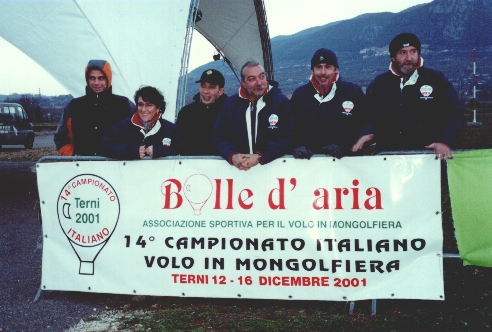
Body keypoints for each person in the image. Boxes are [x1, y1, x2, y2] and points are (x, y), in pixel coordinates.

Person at [353, 33, 465, 159]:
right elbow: (369, 115)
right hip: (389, 158)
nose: (409, 58)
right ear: (393, 57)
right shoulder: (379, 84)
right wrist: (367, 132)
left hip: (428, 158)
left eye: (413, 52)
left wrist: (444, 141)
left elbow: (454, 114)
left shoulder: (436, 80)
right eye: (402, 53)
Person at [212, 61, 294, 170]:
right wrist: (232, 156)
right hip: (237, 173)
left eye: (262, 77)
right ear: (243, 83)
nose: (259, 83)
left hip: (274, 172)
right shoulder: (229, 105)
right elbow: (219, 137)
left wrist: (261, 156)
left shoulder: (281, 103)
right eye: (252, 79)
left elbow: (288, 137)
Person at [291, 48, 369, 159]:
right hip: (309, 164)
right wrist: (298, 146)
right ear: (312, 70)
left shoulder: (352, 92)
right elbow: (291, 127)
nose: (323, 72)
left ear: (336, 69)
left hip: (346, 163)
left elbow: (364, 123)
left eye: (328, 67)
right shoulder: (300, 95)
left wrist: (343, 146)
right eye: (318, 67)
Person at [54, 59, 134, 156]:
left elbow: (138, 132)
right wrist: (72, 156)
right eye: (92, 78)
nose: (96, 83)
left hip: (117, 165)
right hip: (83, 166)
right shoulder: (74, 106)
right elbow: (61, 137)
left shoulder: (124, 104)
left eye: (101, 78)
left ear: (108, 79)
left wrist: (129, 153)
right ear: (87, 80)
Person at [101, 86, 185, 160]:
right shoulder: (124, 126)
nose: (143, 109)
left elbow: (182, 149)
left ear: (158, 108)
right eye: (140, 105)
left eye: (149, 105)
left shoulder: (171, 129)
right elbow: (106, 145)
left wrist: (159, 151)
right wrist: (132, 150)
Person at [176, 69, 228, 155]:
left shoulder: (229, 113)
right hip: (189, 165)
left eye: (211, 87)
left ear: (221, 91)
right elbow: (177, 144)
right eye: (203, 86)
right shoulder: (186, 113)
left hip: (221, 165)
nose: (205, 91)